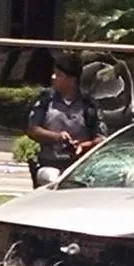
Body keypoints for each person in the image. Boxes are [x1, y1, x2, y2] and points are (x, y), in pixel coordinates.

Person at [25, 52, 107, 187]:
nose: (53, 77)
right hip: (49, 164)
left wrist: (84, 146)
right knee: (52, 180)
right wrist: (57, 137)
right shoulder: (46, 100)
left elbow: (101, 138)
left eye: (58, 75)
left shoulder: (89, 105)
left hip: (79, 168)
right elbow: (32, 130)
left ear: (72, 79)